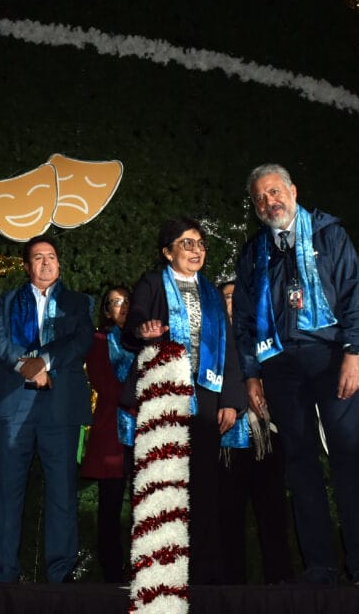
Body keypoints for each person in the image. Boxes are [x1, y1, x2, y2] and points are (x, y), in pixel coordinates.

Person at [232, 164, 359, 586]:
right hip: (279, 364)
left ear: (293, 191)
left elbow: (356, 296)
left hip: (331, 355)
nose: (269, 202)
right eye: (260, 198)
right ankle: (320, 567)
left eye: (274, 192)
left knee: (348, 458)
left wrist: (353, 351)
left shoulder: (329, 234)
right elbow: (243, 319)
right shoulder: (254, 252)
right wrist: (251, 374)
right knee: (300, 465)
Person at [123, 218, 247, 586]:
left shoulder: (211, 293)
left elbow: (228, 348)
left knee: (205, 484)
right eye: (187, 243)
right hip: (163, 392)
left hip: (206, 395)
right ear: (167, 252)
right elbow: (135, 321)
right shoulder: (152, 283)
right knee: (162, 482)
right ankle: (160, 572)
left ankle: (204, 573)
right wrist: (143, 329)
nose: (196, 250)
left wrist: (231, 399)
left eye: (201, 243)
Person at [0, 235, 93, 583]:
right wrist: (24, 364)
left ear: (59, 264)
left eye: (52, 257)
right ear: (27, 266)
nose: (46, 263)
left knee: (62, 490)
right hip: (14, 403)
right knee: (7, 489)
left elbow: (81, 341)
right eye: (38, 257)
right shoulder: (8, 300)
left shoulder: (78, 302)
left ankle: (61, 572)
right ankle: (4, 572)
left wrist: (43, 361)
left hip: (60, 405)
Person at [216, 279, 294, 585]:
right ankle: (231, 586)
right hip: (226, 438)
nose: (232, 303)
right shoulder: (212, 341)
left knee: (272, 511)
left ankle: (280, 581)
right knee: (228, 516)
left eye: (237, 297)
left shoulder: (265, 337)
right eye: (226, 297)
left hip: (265, 434)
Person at [79, 286, 132, 583]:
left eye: (126, 301)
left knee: (147, 504)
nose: (122, 307)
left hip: (147, 432)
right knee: (110, 506)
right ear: (107, 311)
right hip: (112, 431)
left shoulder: (148, 340)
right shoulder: (99, 341)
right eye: (115, 302)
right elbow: (104, 383)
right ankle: (112, 572)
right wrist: (139, 398)